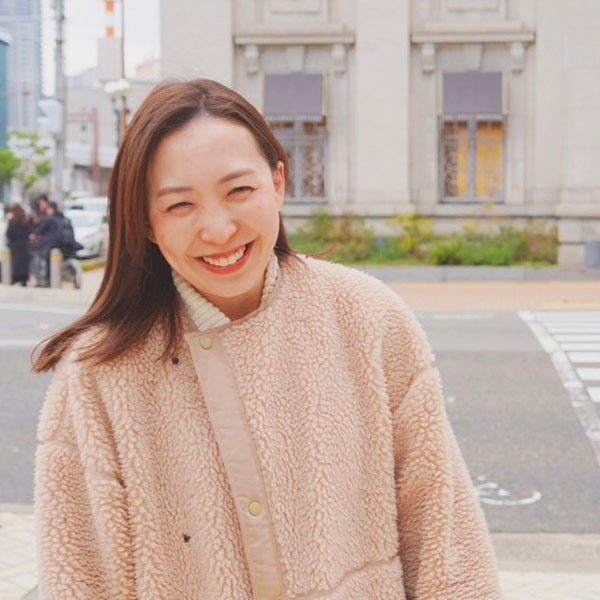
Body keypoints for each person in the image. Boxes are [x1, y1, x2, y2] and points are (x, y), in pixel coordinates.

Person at [33, 80, 503, 599]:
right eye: (180, 205)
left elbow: (446, 548)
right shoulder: (97, 374)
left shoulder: (369, 319)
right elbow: (80, 581)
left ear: (278, 182)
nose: (218, 230)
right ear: (146, 222)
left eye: (239, 191)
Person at [4, 203, 32, 285]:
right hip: (25, 246)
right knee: (23, 264)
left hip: (15, 247)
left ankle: (15, 279)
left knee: (16, 264)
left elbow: (9, 233)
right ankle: (24, 280)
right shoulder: (25, 220)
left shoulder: (13, 221)